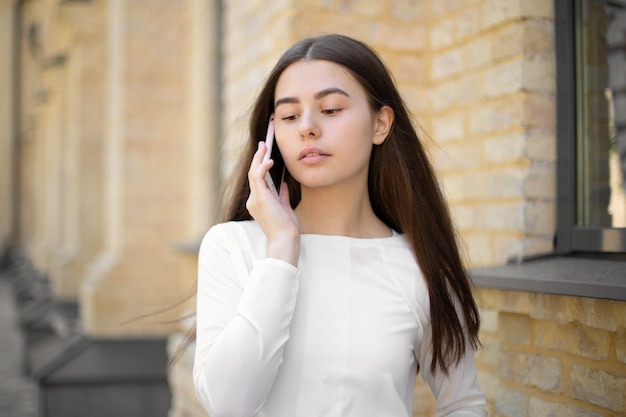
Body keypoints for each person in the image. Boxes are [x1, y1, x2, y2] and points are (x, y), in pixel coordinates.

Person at [193, 33, 487, 417]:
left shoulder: (419, 266)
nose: (308, 128)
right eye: (289, 115)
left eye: (330, 109)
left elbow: (463, 404)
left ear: (380, 124)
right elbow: (227, 404)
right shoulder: (231, 246)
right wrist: (282, 248)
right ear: (272, 135)